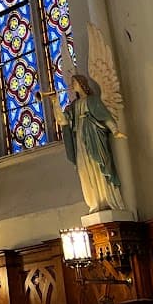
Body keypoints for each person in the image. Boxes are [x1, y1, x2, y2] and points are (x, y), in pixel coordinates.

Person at [57, 74, 126, 214]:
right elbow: (63, 121)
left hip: (94, 137)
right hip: (80, 141)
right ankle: (95, 202)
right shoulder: (73, 106)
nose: (73, 84)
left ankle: (107, 199)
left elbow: (104, 116)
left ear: (82, 84)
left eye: (74, 82)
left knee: (99, 165)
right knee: (85, 169)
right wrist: (54, 103)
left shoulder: (93, 100)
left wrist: (115, 131)